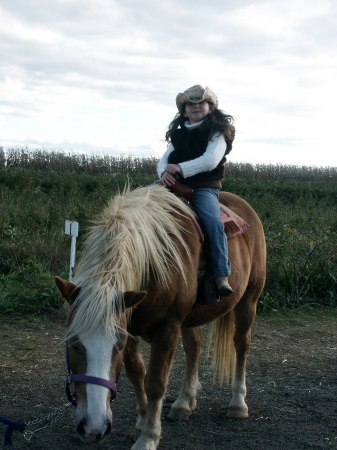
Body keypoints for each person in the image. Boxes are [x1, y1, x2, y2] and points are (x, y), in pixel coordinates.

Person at [157, 84, 235, 297]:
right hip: (172, 184)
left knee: (212, 221)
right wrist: (163, 174)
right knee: (136, 202)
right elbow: (164, 160)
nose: (195, 107)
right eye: (190, 104)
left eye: (200, 102)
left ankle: (221, 274)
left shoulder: (217, 131)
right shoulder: (178, 135)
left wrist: (180, 168)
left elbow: (210, 161)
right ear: (183, 111)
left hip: (203, 188)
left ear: (210, 107)